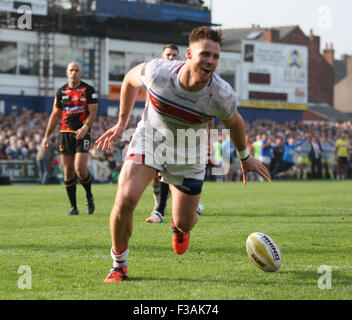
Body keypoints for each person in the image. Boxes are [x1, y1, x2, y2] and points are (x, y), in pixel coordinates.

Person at [96, 26, 271, 282]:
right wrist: (122, 123)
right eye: (205, 54)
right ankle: (118, 264)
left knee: (185, 222)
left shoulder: (221, 93)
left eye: (215, 56)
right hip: (151, 139)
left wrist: (245, 157)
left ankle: (180, 227)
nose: (210, 61)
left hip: (190, 150)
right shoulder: (158, 72)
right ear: (189, 54)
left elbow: (235, 123)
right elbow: (130, 80)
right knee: (125, 200)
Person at [146, 43, 205, 223]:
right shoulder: (155, 76)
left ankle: (160, 211)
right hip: (155, 131)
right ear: (162, 57)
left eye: (174, 55)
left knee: (167, 171)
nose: (171, 58)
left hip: (179, 134)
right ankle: (184, 205)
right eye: (168, 55)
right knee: (156, 175)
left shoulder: (185, 81)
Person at [42, 62, 98, 215]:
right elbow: (55, 115)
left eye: (77, 70)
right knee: (67, 171)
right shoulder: (61, 92)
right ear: (67, 73)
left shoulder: (88, 90)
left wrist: (85, 128)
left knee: (80, 169)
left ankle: (89, 195)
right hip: (65, 133)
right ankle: (74, 207)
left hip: (82, 132)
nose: (74, 73)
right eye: (71, 70)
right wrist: (46, 136)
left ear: (81, 73)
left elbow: (93, 113)